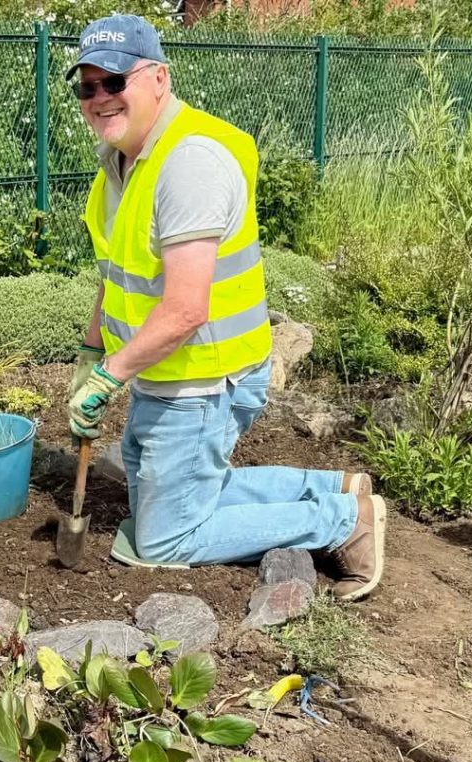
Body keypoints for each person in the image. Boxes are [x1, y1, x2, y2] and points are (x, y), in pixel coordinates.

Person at [65, 14, 386, 600]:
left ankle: (345, 523)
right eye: (87, 87)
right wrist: (93, 351)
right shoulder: (120, 162)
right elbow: (117, 276)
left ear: (158, 77)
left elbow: (187, 309)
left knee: (164, 538)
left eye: (114, 82)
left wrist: (109, 377)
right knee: (163, 493)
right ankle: (336, 486)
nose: (100, 98)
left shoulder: (190, 164)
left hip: (207, 378)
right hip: (166, 373)